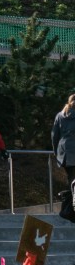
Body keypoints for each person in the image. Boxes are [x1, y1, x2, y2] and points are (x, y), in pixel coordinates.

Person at [53, 93, 75, 222]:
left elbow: (54, 136)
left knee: (72, 179)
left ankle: (70, 209)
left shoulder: (60, 115)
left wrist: (57, 153)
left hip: (65, 153)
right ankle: (72, 207)